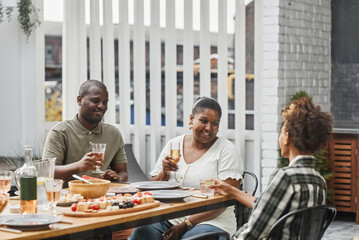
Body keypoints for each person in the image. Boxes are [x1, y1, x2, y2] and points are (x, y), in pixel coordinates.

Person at [209, 97, 333, 239]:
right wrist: (231, 190)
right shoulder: (319, 181)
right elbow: (269, 207)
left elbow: (253, 232)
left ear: (287, 138)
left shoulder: (286, 177)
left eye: (281, 132)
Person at [128, 96, 244, 240]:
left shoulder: (226, 150)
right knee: (142, 232)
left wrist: (186, 223)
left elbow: (225, 200)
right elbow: (153, 186)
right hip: (171, 218)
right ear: (191, 119)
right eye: (203, 121)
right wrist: (165, 172)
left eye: (215, 123)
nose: (209, 128)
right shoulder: (174, 145)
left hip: (211, 221)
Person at [42, 80, 128, 185]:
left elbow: (123, 172)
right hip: (68, 197)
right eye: (96, 101)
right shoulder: (60, 132)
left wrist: (115, 177)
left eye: (105, 102)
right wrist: (78, 166)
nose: (102, 106)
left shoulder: (114, 134)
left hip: (104, 197)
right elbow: (46, 173)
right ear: (80, 100)